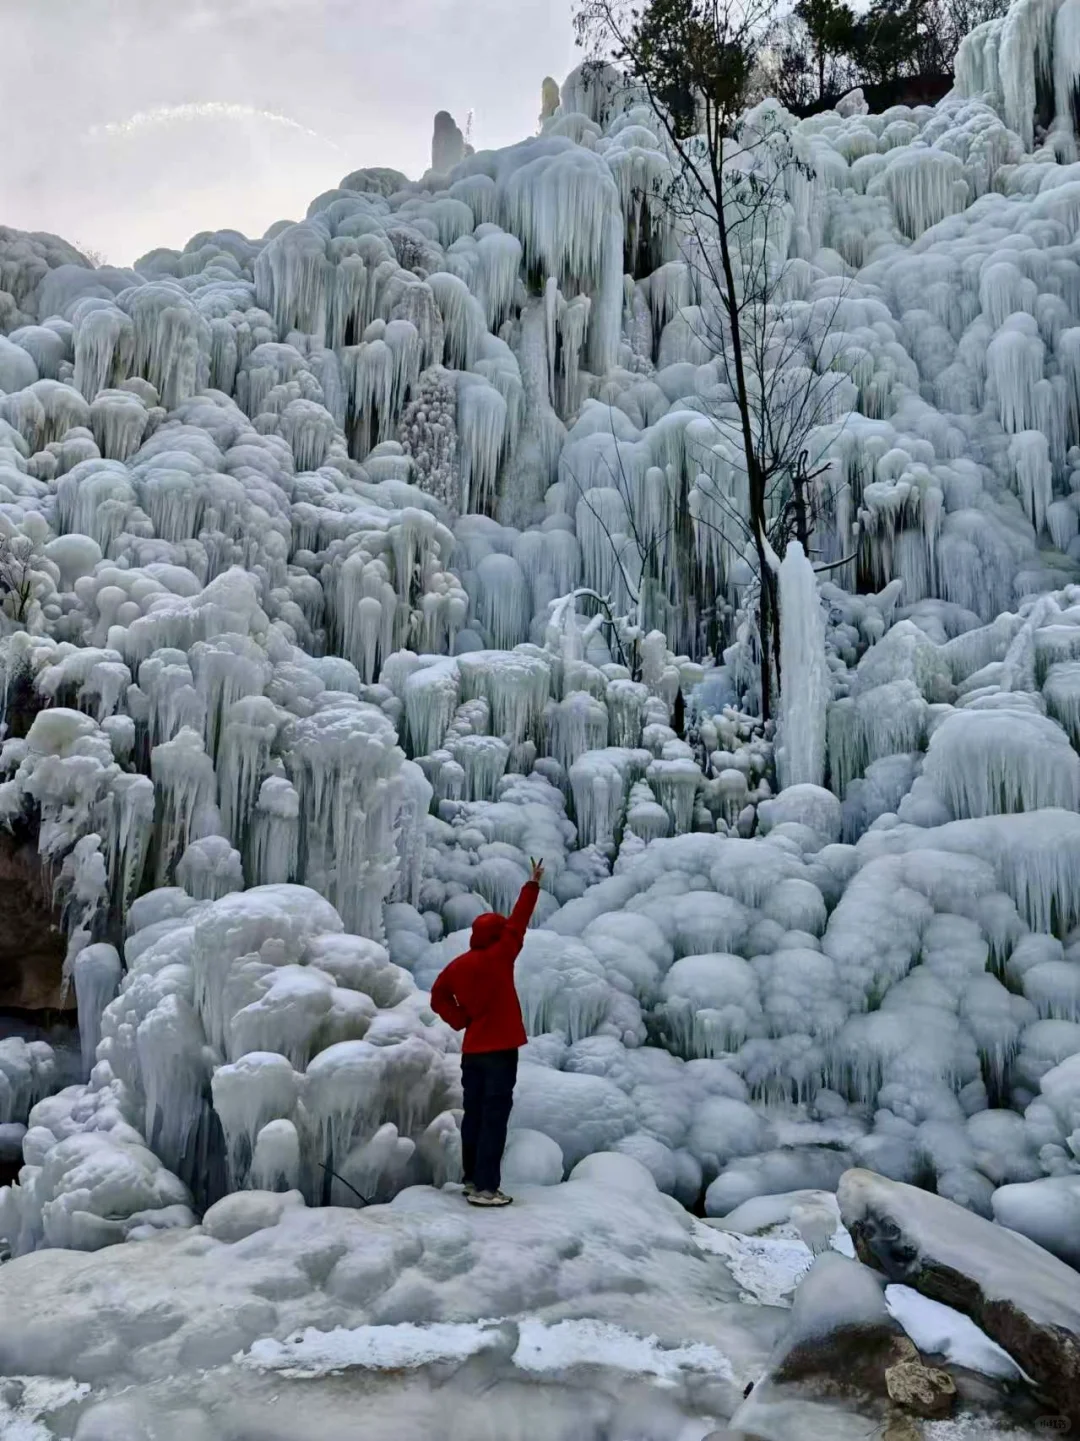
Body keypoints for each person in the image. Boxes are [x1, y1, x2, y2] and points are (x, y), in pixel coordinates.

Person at [430, 859, 543, 1207]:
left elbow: (437, 997)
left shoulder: (458, 965)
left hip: (474, 1051)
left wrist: (461, 1018)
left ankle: (470, 1178)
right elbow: (519, 921)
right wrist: (532, 884)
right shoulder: (500, 955)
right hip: (501, 1051)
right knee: (495, 1118)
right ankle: (486, 1188)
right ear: (496, 935)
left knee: (474, 1115)